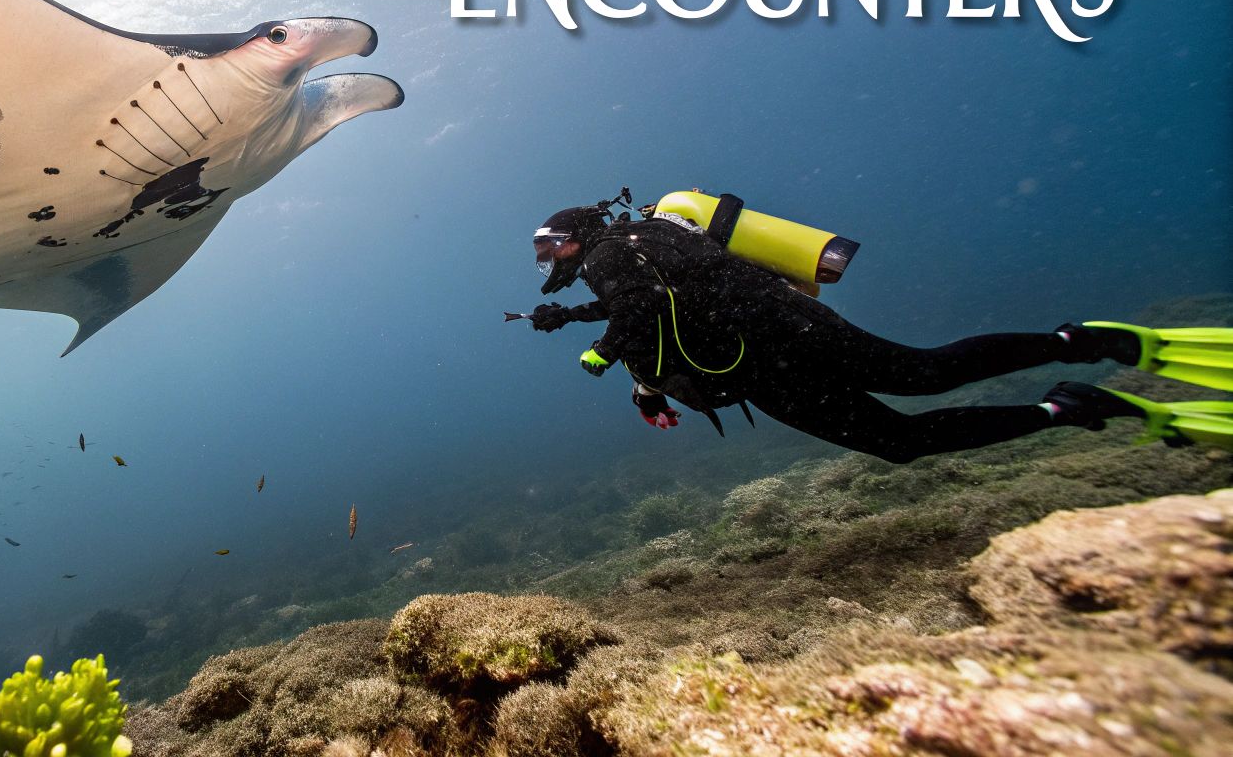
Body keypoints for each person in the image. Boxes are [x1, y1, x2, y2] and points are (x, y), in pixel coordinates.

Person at [527, 195, 1233, 463]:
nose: (544, 258)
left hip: (764, 357)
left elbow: (643, 312)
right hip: (785, 330)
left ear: (574, 237)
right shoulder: (651, 235)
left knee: (900, 434)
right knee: (919, 381)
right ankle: (1074, 355)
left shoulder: (608, 255)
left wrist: (606, 360)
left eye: (547, 244)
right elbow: (659, 296)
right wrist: (585, 319)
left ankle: (1067, 402)